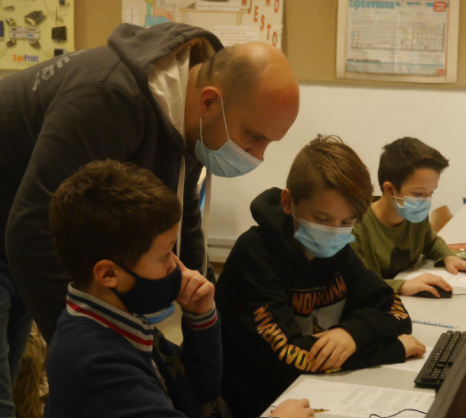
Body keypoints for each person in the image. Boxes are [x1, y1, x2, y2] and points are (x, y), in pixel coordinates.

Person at [0, 22, 298, 415]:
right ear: (210, 102)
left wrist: (200, 304)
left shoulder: (190, 119)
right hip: (18, 228)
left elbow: (183, 216)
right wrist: (98, 354)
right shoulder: (109, 99)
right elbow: (30, 231)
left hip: (21, 229)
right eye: (253, 137)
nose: (256, 156)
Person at [44, 160, 312, 418]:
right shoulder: (100, 365)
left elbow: (199, 393)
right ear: (108, 274)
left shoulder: (123, 318)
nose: (176, 265)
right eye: (164, 256)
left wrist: (200, 317)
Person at [215, 136, 425, 418]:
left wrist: (352, 333)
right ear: (288, 202)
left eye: (347, 222)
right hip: (260, 403)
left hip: (316, 389)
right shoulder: (255, 256)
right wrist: (390, 350)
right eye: (322, 219)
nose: (334, 232)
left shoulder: (338, 250)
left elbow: (395, 312)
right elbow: (289, 359)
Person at [351, 137, 466, 297]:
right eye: (418, 194)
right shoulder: (355, 227)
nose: (426, 201)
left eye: (431, 192)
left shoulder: (413, 216)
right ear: (390, 189)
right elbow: (357, 284)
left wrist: (448, 256)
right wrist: (401, 286)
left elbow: (431, 241)